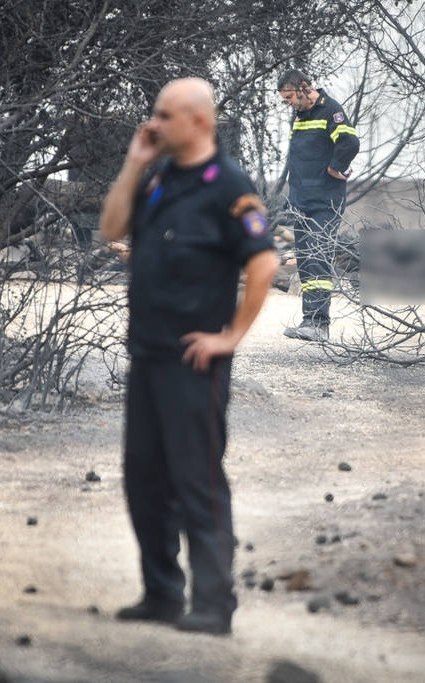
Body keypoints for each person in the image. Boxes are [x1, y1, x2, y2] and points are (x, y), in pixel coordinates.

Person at [99, 77, 277, 635]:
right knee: (144, 480)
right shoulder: (158, 181)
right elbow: (110, 229)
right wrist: (134, 163)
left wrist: (231, 336)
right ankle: (161, 595)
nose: (153, 124)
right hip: (148, 355)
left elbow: (264, 261)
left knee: (196, 482)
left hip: (195, 363)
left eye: (165, 116)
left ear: (199, 121)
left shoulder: (228, 184)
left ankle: (214, 605)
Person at [277, 69, 359, 342]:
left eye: (289, 97)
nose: (288, 102)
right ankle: (309, 322)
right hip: (301, 202)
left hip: (324, 202)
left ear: (303, 87)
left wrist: (337, 168)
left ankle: (319, 325)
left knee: (318, 258)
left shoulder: (330, 110)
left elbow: (349, 142)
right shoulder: (301, 115)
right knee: (306, 263)